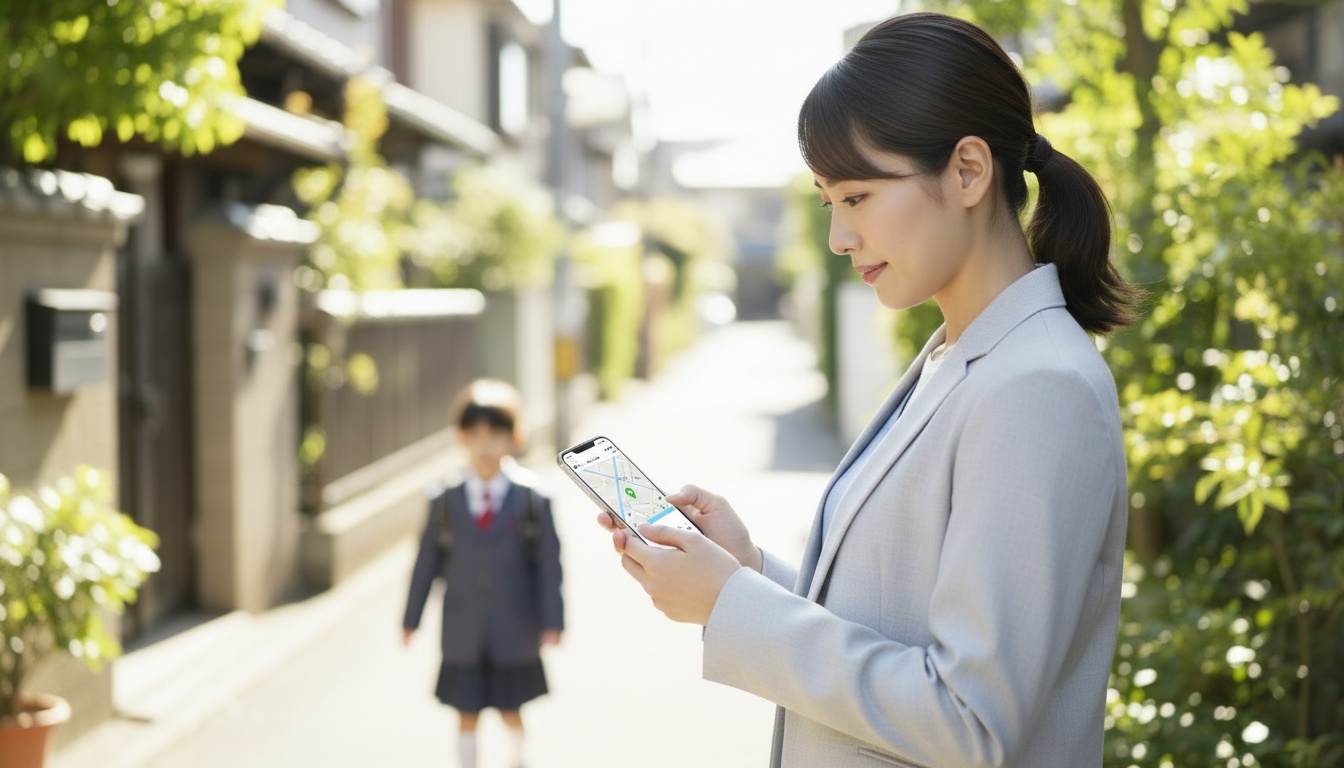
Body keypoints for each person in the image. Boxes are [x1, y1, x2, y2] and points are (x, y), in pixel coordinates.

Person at [598, 12, 1142, 768]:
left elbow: (969, 720)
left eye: (855, 197)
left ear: (969, 172)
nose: (838, 238)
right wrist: (748, 571)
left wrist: (730, 605)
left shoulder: (1038, 386)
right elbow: (899, 622)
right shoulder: (959, 357)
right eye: (828, 203)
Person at [403, 378, 563, 768]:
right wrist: (411, 618)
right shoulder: (444, 500)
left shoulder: (531, 498)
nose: (485, 445)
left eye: (496, 435)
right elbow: (425, 563)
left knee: (511, 707)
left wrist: (553, 621)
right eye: (476, 435)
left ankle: (518, 755)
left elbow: (549, 566)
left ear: (514, 437)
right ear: (461, 438)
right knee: (466, 712)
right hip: (464, 628)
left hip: (515, 625)